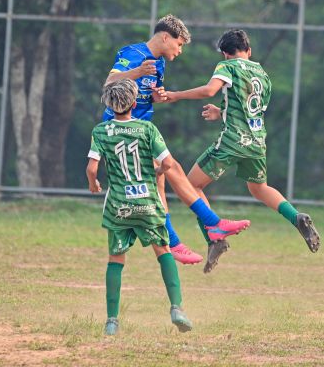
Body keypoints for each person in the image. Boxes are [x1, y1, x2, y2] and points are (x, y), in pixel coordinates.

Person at [86, 79, 250, 336]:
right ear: (133, 102)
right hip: (148, 203)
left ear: (109, 104)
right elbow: (169, 163)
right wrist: (159, 170)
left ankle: (111, 322)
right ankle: (177, 308)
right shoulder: (147, 129)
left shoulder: (101, 131)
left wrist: (93, 183)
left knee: (116, 259)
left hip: (119, 205)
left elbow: (92, 168)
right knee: (164, 252)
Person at [165, 29, 321, 273]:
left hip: (232, 140)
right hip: (256, 141)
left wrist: (176, 95)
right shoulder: (263, 74)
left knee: (190, 185)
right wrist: (222, 113)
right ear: (249, 51)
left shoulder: (227, 66)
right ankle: (296, 216)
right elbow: (252, 110)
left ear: (226, 54)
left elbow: (209, 90)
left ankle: (214, 238)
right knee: (258, 188)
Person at [102, 14, 202, 265]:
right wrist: (136, 71)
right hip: (122, 130)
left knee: (159, 181)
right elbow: (109, 83)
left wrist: (159, 95)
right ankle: (205, 227)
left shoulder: (160, 63)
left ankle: (175, 241)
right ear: (165, 37)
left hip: (143, 130)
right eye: (178, 44)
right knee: (169, 171)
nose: (179, 51)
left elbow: (151, 95)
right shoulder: (132, 53)